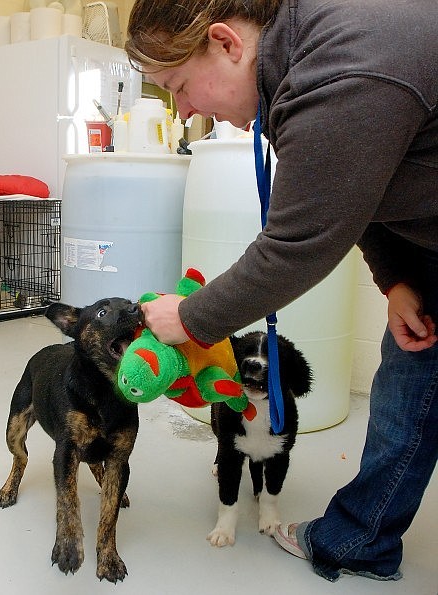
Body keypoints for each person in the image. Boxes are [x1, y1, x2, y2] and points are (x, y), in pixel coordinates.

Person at [125, 0, 438, 583]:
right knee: (413, 374)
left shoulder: (340, 74)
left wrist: (190, 319)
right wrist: (395, 279)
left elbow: (295, 246)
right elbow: (359, 192)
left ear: (226, 43)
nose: (186, 110)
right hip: (426, 247)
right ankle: (363, 538)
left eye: (180, 86)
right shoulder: (300, 66)